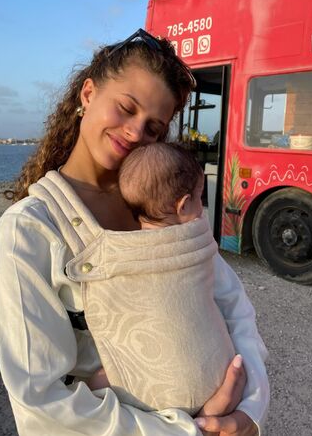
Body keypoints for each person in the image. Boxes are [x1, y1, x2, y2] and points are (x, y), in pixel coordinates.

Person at [0, 29, 269, 435]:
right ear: (87, 94)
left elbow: (232, 306)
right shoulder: (32, 227)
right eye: (126, 108)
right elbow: (39, 398)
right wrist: (185, 431)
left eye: (154, 128)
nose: (136, 132)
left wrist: (250, 412)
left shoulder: (162, 203)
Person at [78, 142, 236, 417]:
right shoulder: (199, 240)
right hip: (216, 377)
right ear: (184, 205)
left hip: (147, 388)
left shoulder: (120, 250)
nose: (201, 209)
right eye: (200, 199)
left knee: (95, 382)